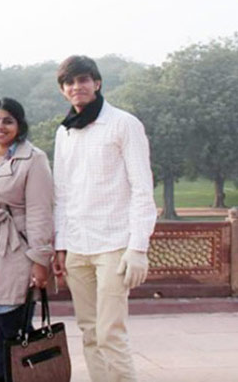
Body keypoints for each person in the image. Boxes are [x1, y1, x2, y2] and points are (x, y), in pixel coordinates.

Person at [52, 56, 157, 382]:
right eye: (69, 82)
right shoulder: (64, 132)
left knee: (111, 332)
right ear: (63, 89)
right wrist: (61, 245)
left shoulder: (123, 124)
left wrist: (138, 247)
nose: (77, 87)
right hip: (77, 245)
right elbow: (62, 193)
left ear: (96, 83)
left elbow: (142, 189)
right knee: (90, 332)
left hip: (114, 243)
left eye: (83, 80)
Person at [0, 97, 54, 382]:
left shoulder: (34, 159)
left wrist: (40, 260)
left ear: (19, 125)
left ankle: (23, 376)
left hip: (18, 246)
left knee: (14, 322)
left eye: (8, 121)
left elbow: (40, 211)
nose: (0, 126)